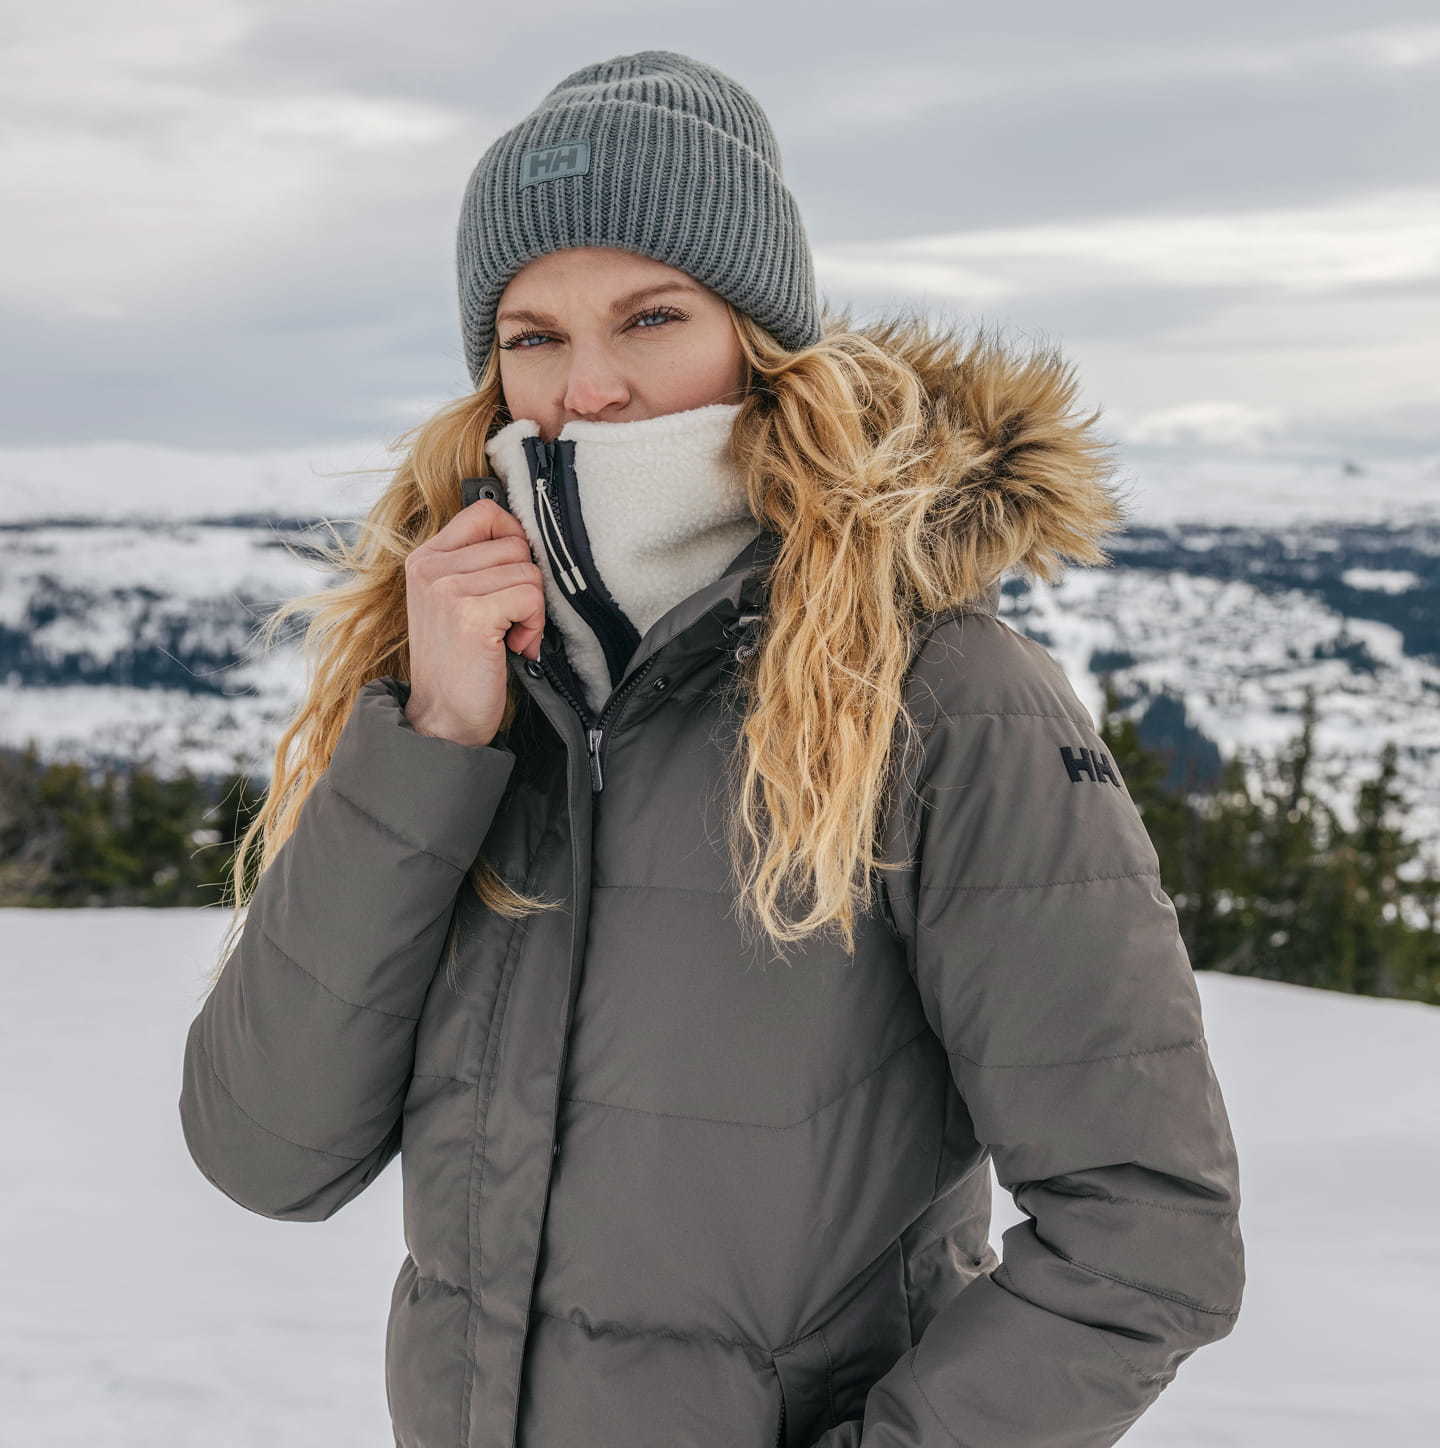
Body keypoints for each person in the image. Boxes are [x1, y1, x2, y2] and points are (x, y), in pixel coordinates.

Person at [178, 49, 1245, 1448]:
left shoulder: (937, 695)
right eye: (532, 335)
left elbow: (1149, 1232)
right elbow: (267, 1152)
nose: (589, 389)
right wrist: (436, 739)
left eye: (651, 317)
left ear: (760, 335)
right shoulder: (469, 690)